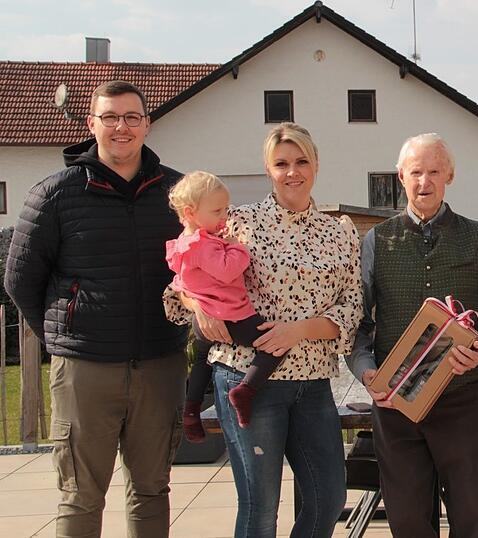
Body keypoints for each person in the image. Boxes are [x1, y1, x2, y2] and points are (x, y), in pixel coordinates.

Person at [3, 80, 188, 537]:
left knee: (152, 489)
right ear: (91, 124)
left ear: (147, 124)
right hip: (85, 370)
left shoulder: (178, 193)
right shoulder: (54, 194)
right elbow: (20, 280)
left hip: (160, 363)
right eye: (110, 117)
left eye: (131, 117)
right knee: (81, 495)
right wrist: (64, 335)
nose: (121, 127)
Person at [164, 123, 362, 537]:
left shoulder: (339, 232)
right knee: (261, 508)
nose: (292, 172)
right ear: (268, 169)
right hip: (246, 379)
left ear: (316, 164)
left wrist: (300, 330)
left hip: (313, 382)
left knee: (329, 497)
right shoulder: (236, 222)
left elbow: (352, 307)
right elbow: (178, 286)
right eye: (281, 163)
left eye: (301, 161)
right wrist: (198, 307)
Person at [347, 133, 478, 538]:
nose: (424, 182)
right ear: (401, 177)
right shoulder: (376, 242)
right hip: (398, 404)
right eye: (415, 173)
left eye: (433, 172)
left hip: (468, 402)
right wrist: (366, 371)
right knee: (407, 523)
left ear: (449, 176)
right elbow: (358, 324)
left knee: (472, 522)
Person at [165, 170, 287, 441]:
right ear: (191, 212)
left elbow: (180, 281)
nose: (224, 216)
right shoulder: (203, 245)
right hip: (230, 316)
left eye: (225, 209)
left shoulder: (183, 244)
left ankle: (191, 410)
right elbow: (228, 270)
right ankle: (246, 390)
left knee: (201, 360)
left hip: (203, 320)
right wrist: (236, 247)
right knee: (276, 342)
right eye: (217, 211)